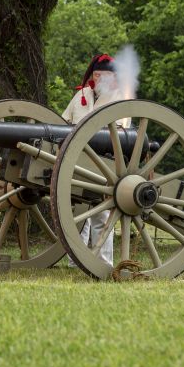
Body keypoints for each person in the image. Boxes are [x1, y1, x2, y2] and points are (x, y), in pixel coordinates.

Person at [61, 53, 128, 265]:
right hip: (76, 160)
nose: (99, 80)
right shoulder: (82, 96)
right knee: (77, 214)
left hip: (103, 163)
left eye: (104, 76)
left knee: (100, 216)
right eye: (96, 75)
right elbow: (63, 122)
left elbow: (120, 133)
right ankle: (76, 261)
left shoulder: (120, 98)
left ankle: (103, 263)